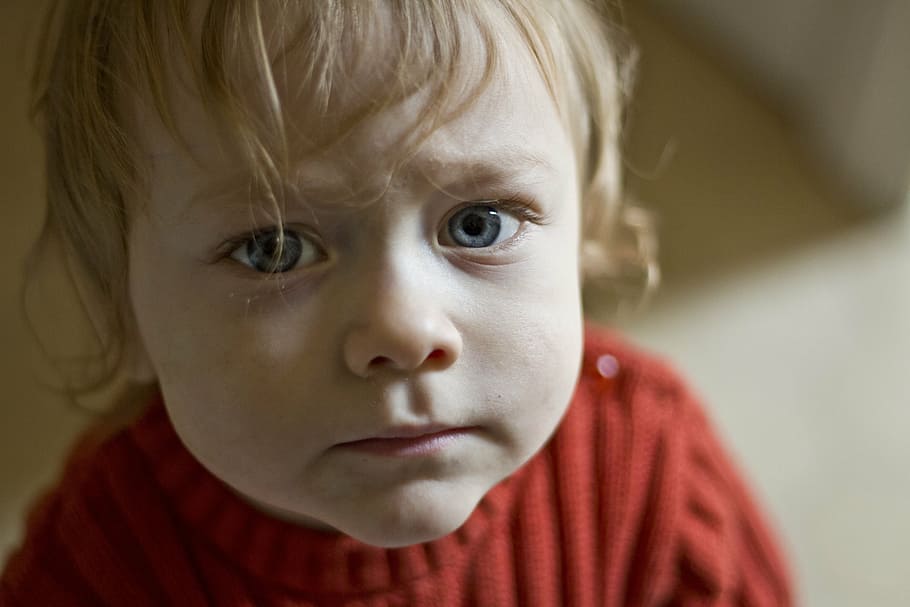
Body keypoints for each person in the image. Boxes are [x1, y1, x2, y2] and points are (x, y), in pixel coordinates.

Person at [1, 1, 793, 605]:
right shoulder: (94, 567)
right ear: (123, 309)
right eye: (274, 248)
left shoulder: (652, 471)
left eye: (477, 224)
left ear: (589, 228)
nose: (404, 331)